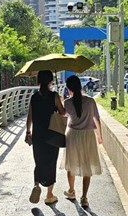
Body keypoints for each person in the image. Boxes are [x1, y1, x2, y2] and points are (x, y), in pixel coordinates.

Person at [62, 74, 103, 208]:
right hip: (88, 135)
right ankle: (84, 197)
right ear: (80, 86)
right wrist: (99, 136)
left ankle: (71, 191)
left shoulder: (67, 102)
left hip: (73, 135)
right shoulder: (90, 101)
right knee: (87, 166)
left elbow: (64, 115)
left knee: (71, 164)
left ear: (69, 88)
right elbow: (96, 119)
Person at [25, 69, 65, 205]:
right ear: (51, 81)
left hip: (38, 135)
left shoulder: (34, 97)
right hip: (52, 134)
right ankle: (49, 194)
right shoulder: (54, 96)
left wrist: (28, 132)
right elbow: (62, 113)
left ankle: (36, 185)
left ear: (38, 81)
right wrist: (60, 101)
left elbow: (30, 116)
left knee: (39, 161)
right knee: (51, 162)